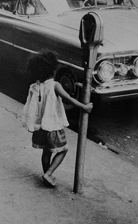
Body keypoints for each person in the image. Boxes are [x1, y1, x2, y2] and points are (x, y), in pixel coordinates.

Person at [22, 51, 93, 188]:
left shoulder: (34, 87)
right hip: (52, 127)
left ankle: (47, 175)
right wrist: (84, 107)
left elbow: (29, 107)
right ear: (53, 70)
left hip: (40, 127)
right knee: (62, 150)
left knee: (46, 152)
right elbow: (68, 99)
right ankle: (48, 173)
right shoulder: (55, 85)